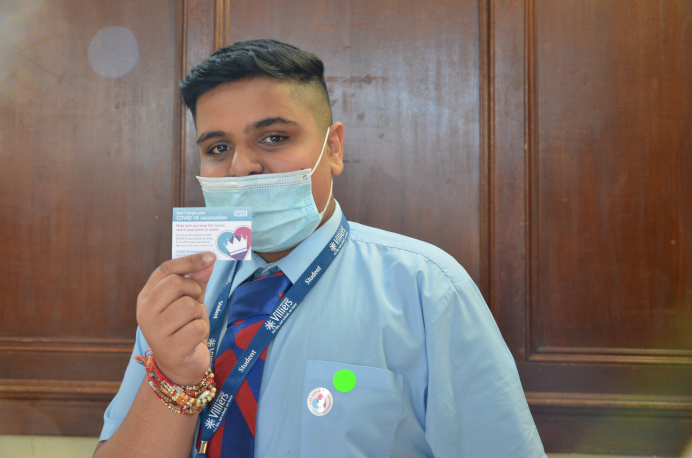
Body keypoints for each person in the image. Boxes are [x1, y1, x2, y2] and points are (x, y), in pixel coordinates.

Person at [93, 39, 547, 458]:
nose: (242, 166)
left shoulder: (425, 288)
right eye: (218, 146)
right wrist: (174, 377)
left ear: (332, 149)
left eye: (273, 138)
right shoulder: (182, 297)